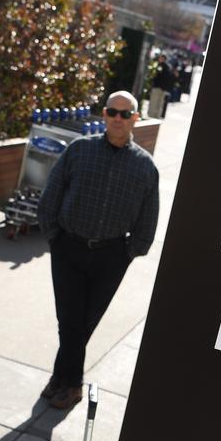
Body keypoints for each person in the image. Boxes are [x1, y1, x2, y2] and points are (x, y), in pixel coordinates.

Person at [38, 91, 159, 409]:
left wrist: (128, 253)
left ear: (135, 118)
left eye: (125, 113)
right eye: (112, 112)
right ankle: (72, 384)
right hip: (68, 248)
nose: (118, 118)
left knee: (85, 322)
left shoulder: (145, 167)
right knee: (69, 320)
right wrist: (55, 238)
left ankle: (60, 377)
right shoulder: (79, 150)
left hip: (111, 256)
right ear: (104, 115)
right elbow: (51, 196)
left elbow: (148, 220)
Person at [149, 53, 176, 118]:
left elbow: (157, 76)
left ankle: (152, 115)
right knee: (160, 103)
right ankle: (157, 116)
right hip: (164, 88)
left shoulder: (160, 66)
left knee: (154, 102)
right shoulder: (168, 67)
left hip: (158, 87)